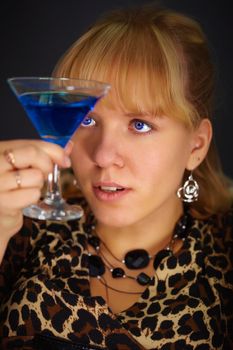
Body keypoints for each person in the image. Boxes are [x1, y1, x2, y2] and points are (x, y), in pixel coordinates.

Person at [0, 4, 232, 350]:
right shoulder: (21, 228)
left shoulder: (224, 254)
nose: (103, 155)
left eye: (140, 125)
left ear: (196, 146)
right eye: (87, 119)